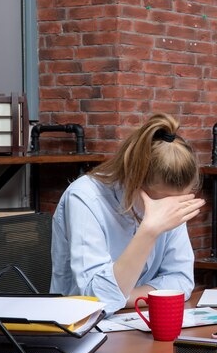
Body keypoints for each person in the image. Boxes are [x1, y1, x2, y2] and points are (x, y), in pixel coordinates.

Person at [50, 113, 205, 315]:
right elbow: (97, 299)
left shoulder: (169, 200)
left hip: (135, 320)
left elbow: (181, 281)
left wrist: (123, 296)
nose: (170, 209)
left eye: (177, 202)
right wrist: (149, 230)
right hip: (79, 329)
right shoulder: (85, 198)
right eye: (162, 202)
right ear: (133, 181)